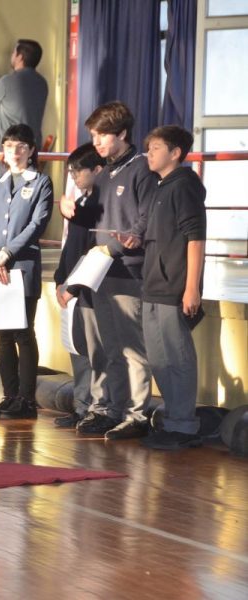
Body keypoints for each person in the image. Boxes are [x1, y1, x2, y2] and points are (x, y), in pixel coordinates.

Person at [59, 101, 157, 440]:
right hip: (99, 270)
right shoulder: (105, 170)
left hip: (127, 269)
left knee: (132, 347)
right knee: (109, 347)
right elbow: (94, 218)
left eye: (102, 136)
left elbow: (143, 220)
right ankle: (112, 408)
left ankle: (138, 414)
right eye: (94, 136)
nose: (97, 142)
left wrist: (115, 246)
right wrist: (71, 210)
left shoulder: (141, 168)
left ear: (122, 134)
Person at [123, 126, 207, 450]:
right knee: (159, 358)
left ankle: (185, 425)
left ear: (175, 153)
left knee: (178, 356)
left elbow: (195, 238)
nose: (148, 153)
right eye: (148, 148)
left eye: (155, 148)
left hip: (175, 286)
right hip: (153, 285)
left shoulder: (184, 186)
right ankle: (173, 420)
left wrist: (191, 288)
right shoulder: (160, 187)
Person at [0, 124, 53, 420]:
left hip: (21, 266)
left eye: (21, 146)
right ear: (3, 151)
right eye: (9, 146)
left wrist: (6, 254)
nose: (15, 151)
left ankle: (26, 398)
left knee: (22, 332)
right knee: (1, 335)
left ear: (31, 151)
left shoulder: (41, 182)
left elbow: (38, 223)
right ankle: (9, 396)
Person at [52, 143, 105, 428]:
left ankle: (96, 407)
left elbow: (93, 252)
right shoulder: (81, 202)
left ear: (97, 170)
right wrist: (60, 277)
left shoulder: (101, 204)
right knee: (76, 347)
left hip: (89, 287)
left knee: (94, 350)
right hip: (70, 283)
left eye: (77, 171)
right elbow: (70, 246)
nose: (73, 176)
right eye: (70, 171)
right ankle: (82, 405)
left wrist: (75, 285)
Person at [0, 39, 48, 150]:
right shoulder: (42, 83)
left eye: (14, 53)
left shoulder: (6, 82)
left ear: (20, 57)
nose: (12, 56)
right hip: (33, 146)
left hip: (10, 147)